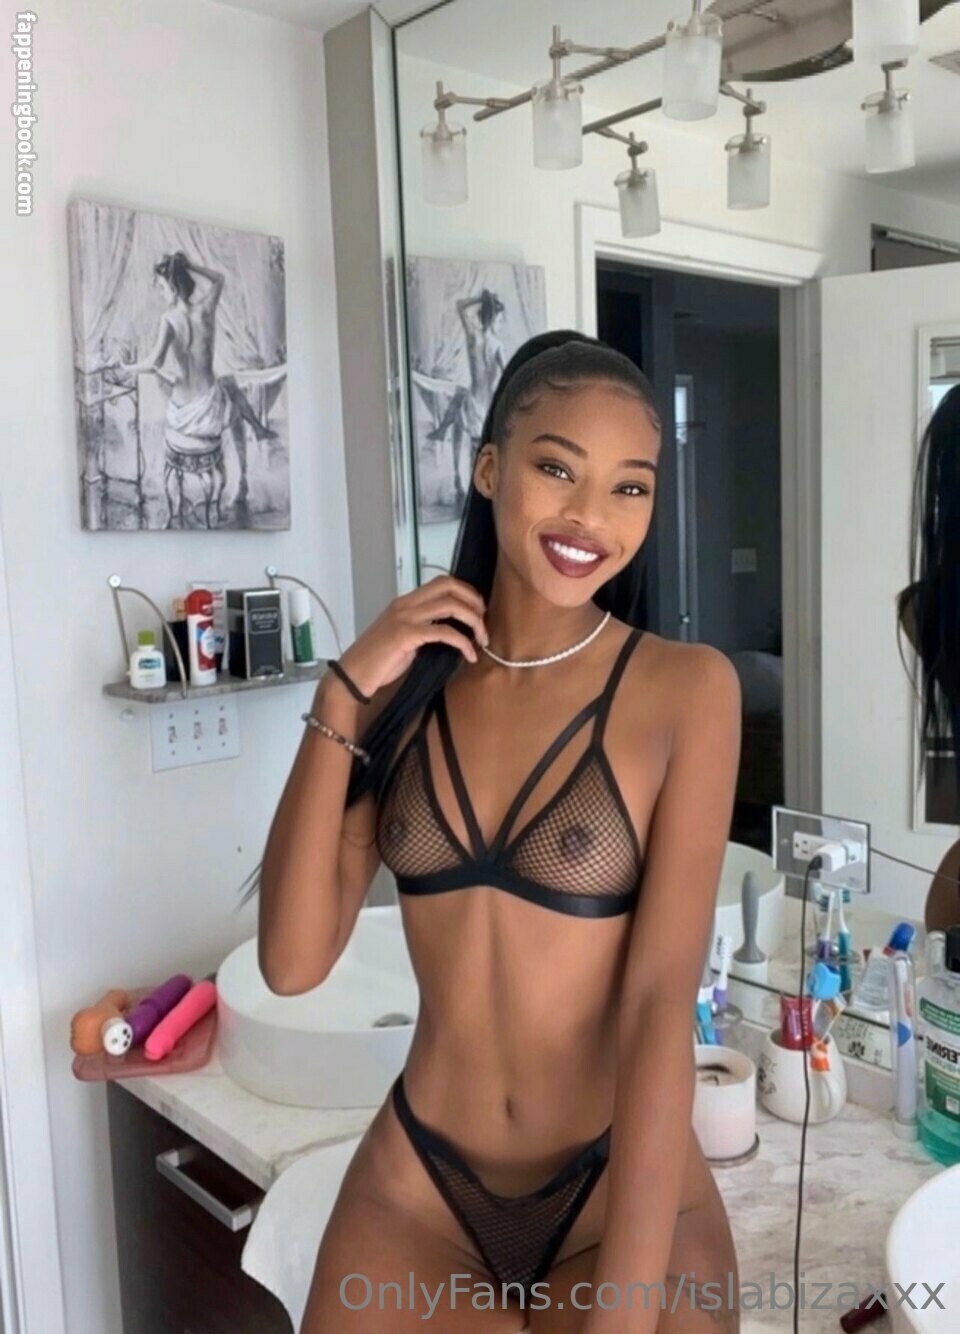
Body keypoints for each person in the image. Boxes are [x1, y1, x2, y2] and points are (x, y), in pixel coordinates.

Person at [258, 332, 743, 1332]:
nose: (591, 515)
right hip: (418, 1190)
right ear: (489, 469)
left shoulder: (685, 692)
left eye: (630, 487)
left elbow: (657, 1005)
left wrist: (622, 1317)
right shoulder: (404, 692)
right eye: (558, 468)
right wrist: (342, 694)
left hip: (615, 1191)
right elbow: (292, 963)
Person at [115, 250, 276, 527]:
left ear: (173, 287)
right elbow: (219, 279)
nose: (160, 293)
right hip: (210, 410)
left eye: (162, 287)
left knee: (225, 385)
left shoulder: (169, 320)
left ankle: (252, 441)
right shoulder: (206, 310)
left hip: (183, 414)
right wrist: (191, 266)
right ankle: (247, 465)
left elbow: (154, 362)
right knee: (228, 388)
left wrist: (127, 367)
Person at [428, 289, 508, 505]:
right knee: (479, 450)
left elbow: (460, 306)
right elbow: (509, 376)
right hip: (486, 402)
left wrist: (481, 299)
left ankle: (463, 482)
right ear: (494, 318)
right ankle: (473, 490)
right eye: (500, 319)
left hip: (474, 400)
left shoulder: (474, 337)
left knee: (472, 443)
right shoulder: (496, 345)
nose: (501, 324)